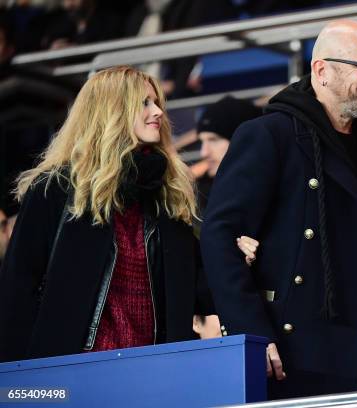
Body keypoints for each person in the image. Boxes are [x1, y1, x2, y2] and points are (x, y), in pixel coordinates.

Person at [201, 20, 357, 398]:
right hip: (293, 359)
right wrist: (251, 335)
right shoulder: (269, 135)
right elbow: (219, 235)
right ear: (322, 71)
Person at [0, 66, 255, 363]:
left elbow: (192, 292)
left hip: (153, 371)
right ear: (113, 111)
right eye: (145, 103)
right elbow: (19, 291)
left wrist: (234, 260)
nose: (158, 111)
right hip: (74, 372)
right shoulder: (57, 188)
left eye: (157, 102)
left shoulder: (165, 194)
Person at [195, 96, 261, 211]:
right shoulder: (201, 195)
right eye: (202, 142)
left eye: (213, 140)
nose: (204, 153)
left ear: (242, 141)